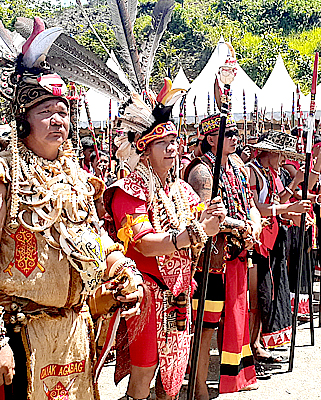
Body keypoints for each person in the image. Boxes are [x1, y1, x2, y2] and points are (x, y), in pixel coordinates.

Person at [0, 67, 143, 398]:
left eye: (63, 112)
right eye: (46, 112)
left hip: (74, 330)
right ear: (23, 120)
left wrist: (122, 266)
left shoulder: (78, 177)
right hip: (19, 331)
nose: (58, 120)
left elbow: (93, 238)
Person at [103, 85, 225, 400]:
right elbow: (143, 243)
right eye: (164, 143)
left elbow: (201, 223)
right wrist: (196, 233)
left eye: (175, 142)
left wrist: (219, 219)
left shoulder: (180, 190)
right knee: (145, 368)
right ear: (144, 149)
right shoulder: (128, 189)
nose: (173, 149)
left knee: (173, 367)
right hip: (143, 292)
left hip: (178, 293)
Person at [184, 113, 261, 398]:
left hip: (238, 256)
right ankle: (199, 385)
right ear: (211, 138)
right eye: (227, 133)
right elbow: (206, 215)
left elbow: (250, 203)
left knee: (236, 316)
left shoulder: (238, 166)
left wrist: (253, 223)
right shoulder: (201, 172)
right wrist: (241, 226)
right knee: (205, 327)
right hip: (212, 262)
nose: (234, 138)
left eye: (236, 133)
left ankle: (232, 375)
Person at [245, 131, 312, 373]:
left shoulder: (273, 173)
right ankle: (252, 344)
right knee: (259, 295)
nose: (283, 158)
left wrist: (294, 205)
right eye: (279, 153)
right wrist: (288, 207)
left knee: (271, 292)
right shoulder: (251, 171)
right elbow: (257, 207)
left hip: (275, 237)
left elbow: (281, 198)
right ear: (269, 152)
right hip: (259, 240)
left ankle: (260, 340)